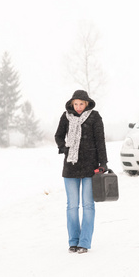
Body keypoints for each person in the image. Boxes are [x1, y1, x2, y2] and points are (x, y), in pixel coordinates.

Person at [55, 90, 108, 254]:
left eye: (81, 104)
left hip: (90, 167)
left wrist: (103, 163)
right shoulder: (66, 117)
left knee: (88, 205)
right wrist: (64, 149)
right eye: (76, 104)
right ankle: (73, 242)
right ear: (72, 104)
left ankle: (84, 242)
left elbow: (100, 141)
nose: (78, 107)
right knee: (72, 206)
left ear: (87, 104)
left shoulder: (94, 117)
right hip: (70, 167)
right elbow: (58, 136)